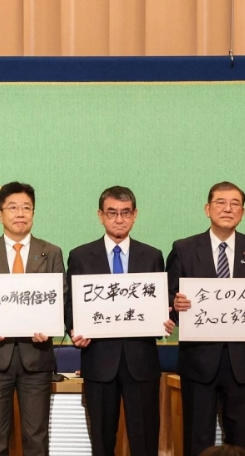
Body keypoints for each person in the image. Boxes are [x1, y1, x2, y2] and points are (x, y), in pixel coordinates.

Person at [167, 182, 245, 456]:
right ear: (207, 209)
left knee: (241, 442)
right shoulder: (183, 248)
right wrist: (175, 304)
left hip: (242, 363)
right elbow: (167, 302)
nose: (227, 209)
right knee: (197, 438)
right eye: (220, 202)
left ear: (243, 212)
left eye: (235, 203)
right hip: (199, 361)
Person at [65, 185, 174, 456]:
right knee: (101, 442)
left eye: (125, 213)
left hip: (141, 361)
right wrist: (73, 329)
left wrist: (165, 319)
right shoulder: (80, 256)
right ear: (100, 215)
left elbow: (160, 302)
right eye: (112, 212)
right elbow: (70, 303)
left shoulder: (151, 256)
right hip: (98, 361)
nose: (119, 219)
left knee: (145, 439)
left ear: (135, 215)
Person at [0, 181, 64, 456]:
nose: (20, 213)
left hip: (36, 354)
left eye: (26, 207)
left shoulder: (52, 252)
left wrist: (50, 327)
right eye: (13, 207)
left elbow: (60, 298)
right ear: (0, 214)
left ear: (33, 213)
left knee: (36, 437)